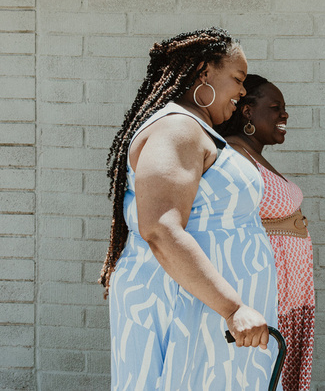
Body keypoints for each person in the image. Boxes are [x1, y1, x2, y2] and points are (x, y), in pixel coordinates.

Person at [100, 28, 280, 390]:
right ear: (203, 73)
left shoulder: (195, 128)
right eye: (238, 79)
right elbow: (160, 230)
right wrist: (232, 308)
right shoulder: (178, 128)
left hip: (211, 316)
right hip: (195, 310)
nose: (242, 91)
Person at [216, 74, 315, 391]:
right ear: (247, 111)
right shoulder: (230, 156)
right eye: (275, 107)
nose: (284, 115)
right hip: (268, 297)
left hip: (291, 294)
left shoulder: (252, 155)